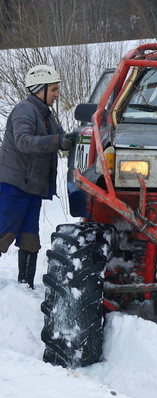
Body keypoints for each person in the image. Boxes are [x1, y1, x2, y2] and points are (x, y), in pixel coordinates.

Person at [0, 65, 76, 288]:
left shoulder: (45, 114)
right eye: (53, 89)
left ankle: (24, 285)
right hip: (15, 185)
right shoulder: (25, 110)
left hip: (32, 187)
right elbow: (24, 141)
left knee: (30, 238)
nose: (57, 94)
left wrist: (75, 138)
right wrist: (57, 142)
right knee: (3, 233)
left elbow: (61, 136)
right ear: (38, 89)